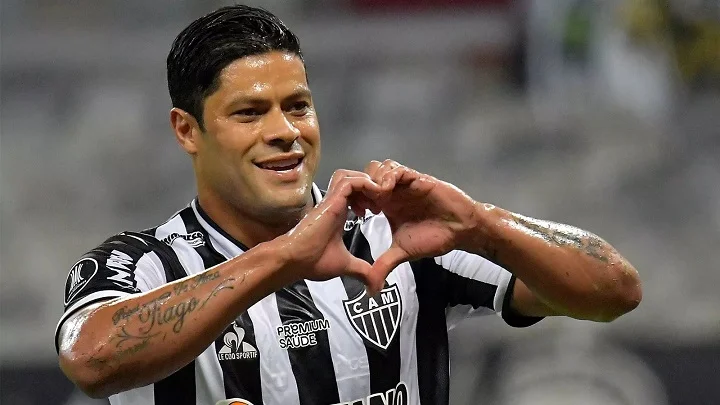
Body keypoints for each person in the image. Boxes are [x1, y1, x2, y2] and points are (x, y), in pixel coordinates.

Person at [55, 5, 642, 405]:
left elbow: (615, 290)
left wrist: (481, 224)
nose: (285, 132)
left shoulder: (394, 234)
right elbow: (90, 359)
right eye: (249, 113)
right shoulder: (146, 263)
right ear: (187, 130)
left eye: (298, 106)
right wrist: (285, 258)